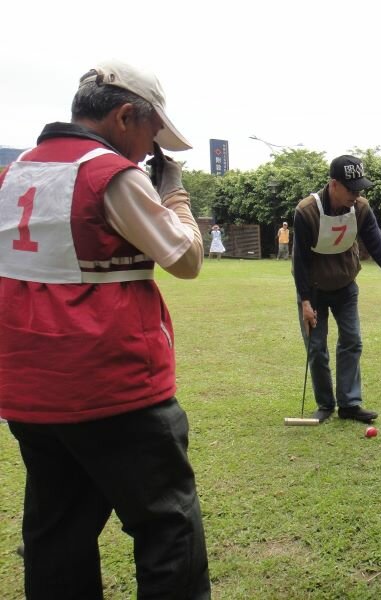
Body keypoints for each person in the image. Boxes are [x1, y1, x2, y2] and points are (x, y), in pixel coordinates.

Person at [0, 60, 210, 599]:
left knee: (57, 535)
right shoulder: (110, 173)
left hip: (31, 394)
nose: (148, 150)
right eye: (150, 134)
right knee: (167, 527)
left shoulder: (14, 173)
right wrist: (176, 195)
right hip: (115, 389)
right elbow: (185, 259)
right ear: (123, 117)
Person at [292, 155, 381, 423]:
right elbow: (299, 260)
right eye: (351, 188)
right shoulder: (306, 212)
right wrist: (305, 302)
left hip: (346, 285)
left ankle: (349, 404)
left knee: (352, 341)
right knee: (316, 347)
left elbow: (378, 243)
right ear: (333, 184)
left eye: (360, 189)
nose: (356, 194)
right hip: (312, 289)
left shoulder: (360, 208)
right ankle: (325, 404)